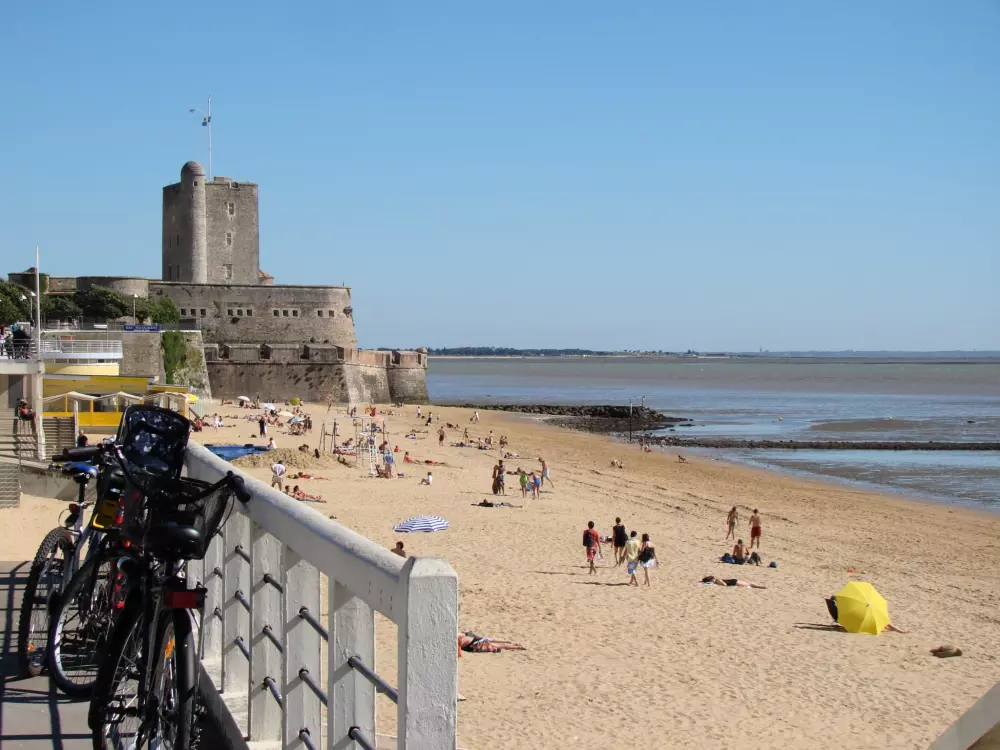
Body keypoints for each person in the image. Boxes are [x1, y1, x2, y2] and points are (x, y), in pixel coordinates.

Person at [825, 597, 905, 632]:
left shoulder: (856, 609)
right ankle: (895, 629)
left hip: (849, 619)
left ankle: (895, 629)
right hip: (854, 620)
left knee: (833, 599)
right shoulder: (873, 614)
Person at [458, 632, 525, 655]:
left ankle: (516, 647)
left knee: (499, 646)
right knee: (494, 642)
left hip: (474, 645)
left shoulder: (458, 637)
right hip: (473, 641)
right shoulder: (462, 635)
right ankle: (511, 644)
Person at [702, 576, 766, 589]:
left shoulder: (717, 580)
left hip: (734, 582)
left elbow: (724, 584)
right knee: (748, 584)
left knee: (749, 584)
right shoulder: (716, 581)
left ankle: (761, 586)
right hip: (733, 582)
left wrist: (716, 584)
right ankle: (759, 586)